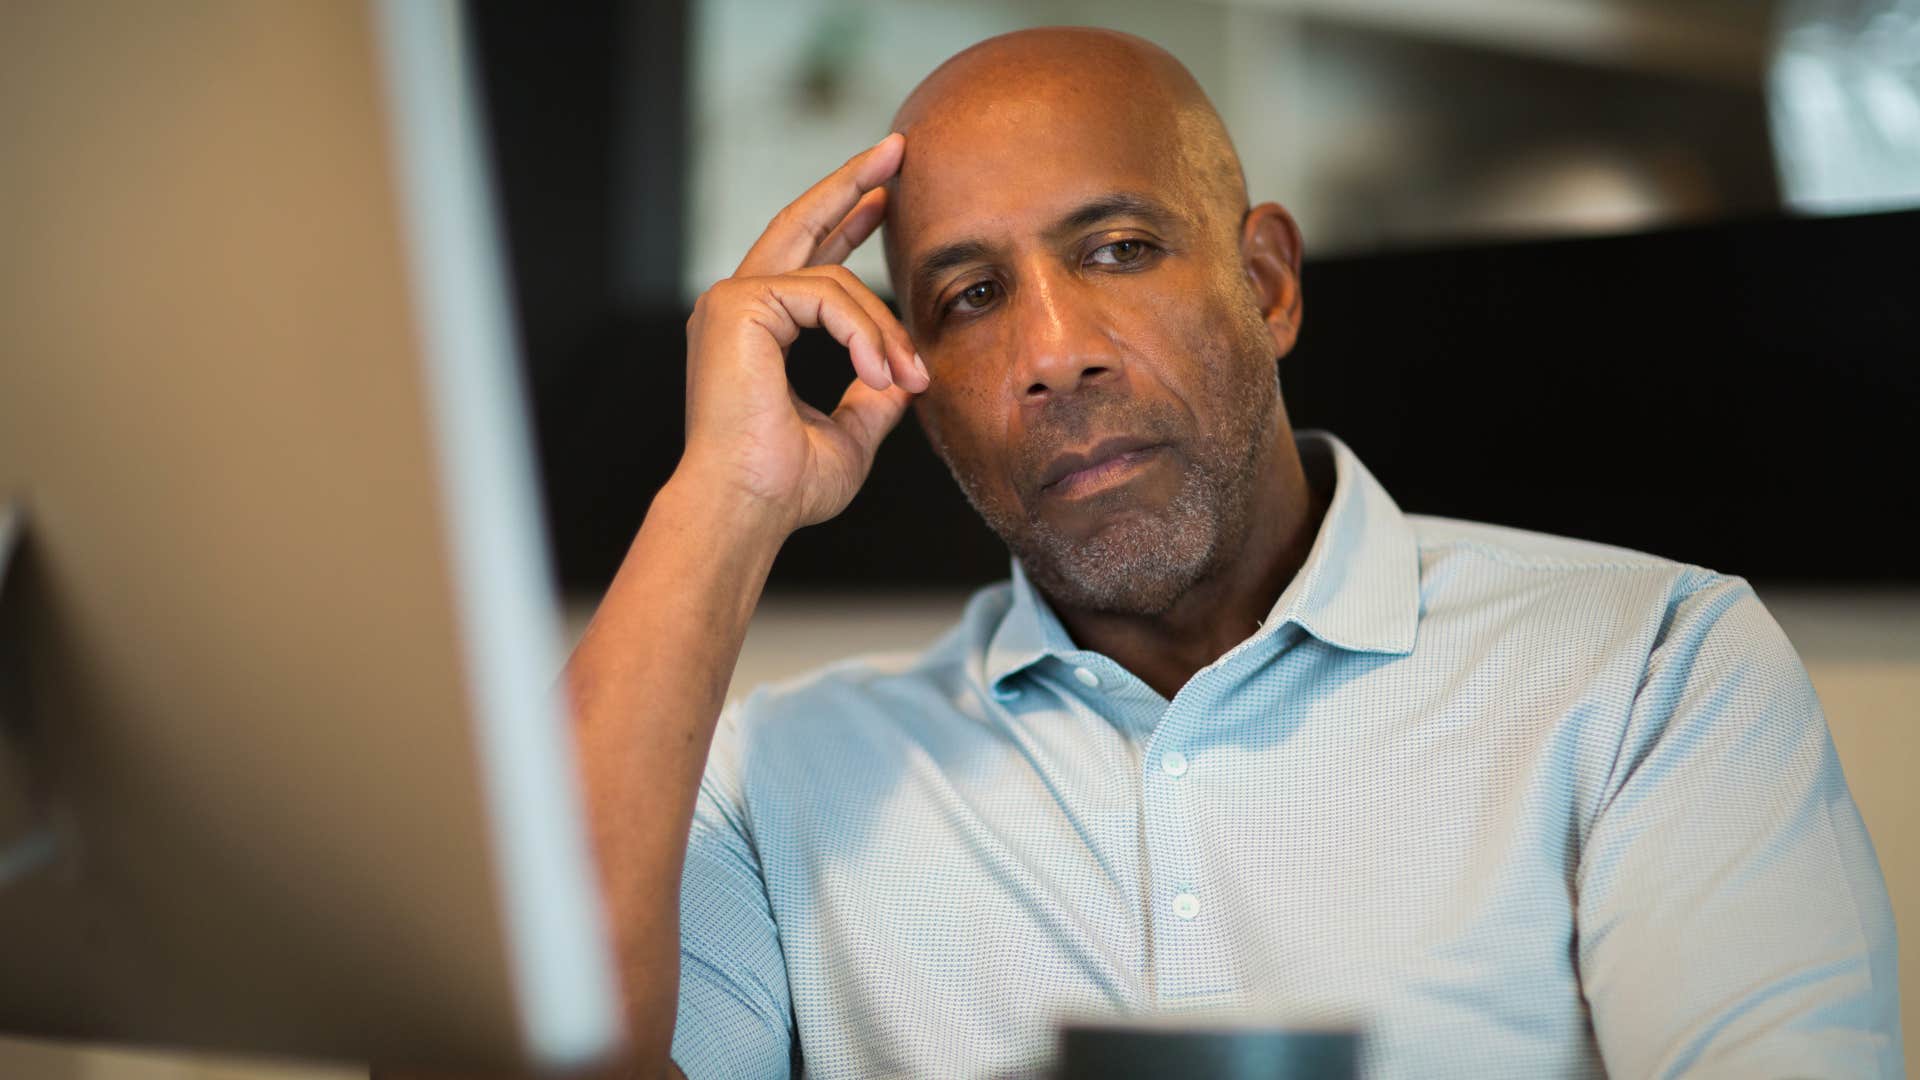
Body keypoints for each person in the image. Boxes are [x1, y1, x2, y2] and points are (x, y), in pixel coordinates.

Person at [562, 27, 1900, 1080]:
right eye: (969, 299)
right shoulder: (777, 779)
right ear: (912, 375)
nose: (1052, 353)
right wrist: (720, 497)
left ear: (1266, 283)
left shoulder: (1649, 671)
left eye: (1121, 249)